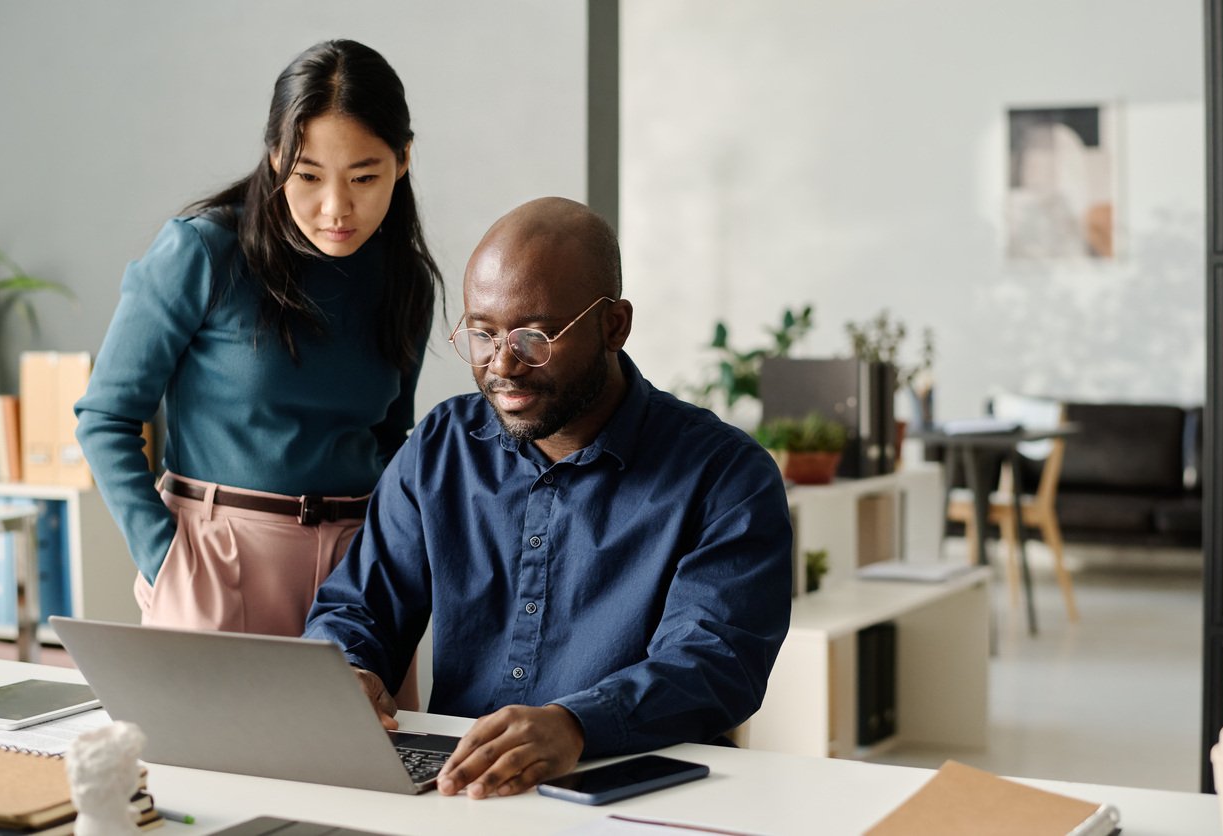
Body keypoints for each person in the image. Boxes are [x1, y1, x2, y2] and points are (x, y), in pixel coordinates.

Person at [304, 196, 793, 800]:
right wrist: (348, 670)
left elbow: (714, 662)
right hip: (467, 796)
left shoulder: (725, 476)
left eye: (535, 336)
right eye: (482, 333)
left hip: (635, 798)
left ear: (613, 324)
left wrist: (577, 725)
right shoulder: (441, 446)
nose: (503, 364)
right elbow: (359, 605)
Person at [74, 38, 442, 680]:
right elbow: (104, 416)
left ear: (403, 159)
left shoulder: (404, 279)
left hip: (358, 577)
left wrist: (387, 559)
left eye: (363, 177)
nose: (336, 208)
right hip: (216, 560)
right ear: (275, 156)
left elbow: (389, 437)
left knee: (365, 771)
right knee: (207, 774)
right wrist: (166, 558)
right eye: (308, 175)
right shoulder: (203, 252)